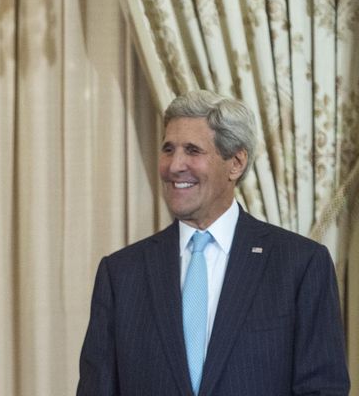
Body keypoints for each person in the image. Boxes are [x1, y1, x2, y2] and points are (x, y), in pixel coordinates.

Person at [76, 90, 349, 395]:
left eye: (192, 150)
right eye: (168, 149)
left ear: (236, 163)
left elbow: (323, 388)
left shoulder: (299, 264)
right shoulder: (121, 273)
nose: (175, 165)